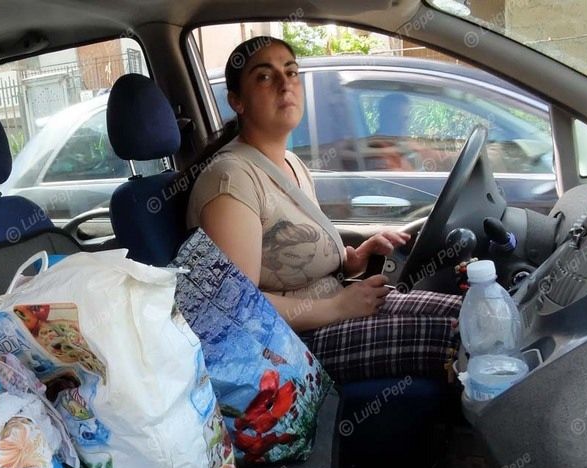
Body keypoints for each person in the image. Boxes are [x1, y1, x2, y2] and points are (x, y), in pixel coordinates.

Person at [186, 36, 461, 383]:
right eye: (265, 76)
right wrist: (336, 307)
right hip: (289, 346)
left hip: (334, 313)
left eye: (291, 72)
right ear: (237, 101)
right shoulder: (230, 180)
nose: (286, 83)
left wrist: (351, 260)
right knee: (455, 337)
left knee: (465, 316)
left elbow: (289, 253)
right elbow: (236, 306)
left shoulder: (292, 164)